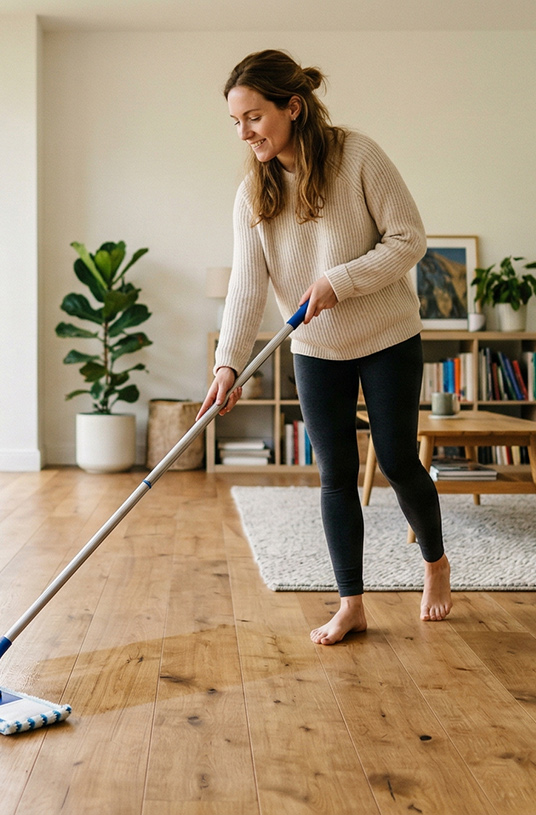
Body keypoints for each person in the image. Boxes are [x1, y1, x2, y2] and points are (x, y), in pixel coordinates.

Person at [200, 49, 447, 645]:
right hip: (314, 346)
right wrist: (227, 364)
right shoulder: (252, 195)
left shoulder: (358, 155)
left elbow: (409, 240)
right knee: (334, 475)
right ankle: (351, 604)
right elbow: (247, 288)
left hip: (387, 335)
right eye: (237, 123)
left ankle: (435, 564)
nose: (246, 133)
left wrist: (341, 280)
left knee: (396, 460)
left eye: (254, 116)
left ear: (294, 106)